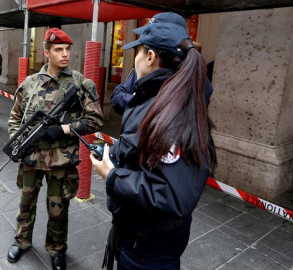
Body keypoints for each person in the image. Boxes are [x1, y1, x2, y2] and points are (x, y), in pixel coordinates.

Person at [90, 12, 215, 269]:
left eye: (137, 51)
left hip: (148, 243)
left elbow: (171, 193)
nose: (134, 59)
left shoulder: (170, 109)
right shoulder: (163, 95)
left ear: (150, 57)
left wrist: (112, 175)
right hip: (139, 231)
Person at [6, 28, 103, 270]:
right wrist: (17, 143)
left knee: (58, 209)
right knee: (25, 203)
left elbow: (96, 120)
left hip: (62, 160)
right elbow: (15, 119)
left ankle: (57, 249)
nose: (65, 54)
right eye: (58, 50)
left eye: (68, 49)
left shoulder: (80, 83)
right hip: (31, 157)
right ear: (46, 53)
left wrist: (65, 129)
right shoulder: (30, 83)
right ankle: (21, 241)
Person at [110, 17, 213, 115]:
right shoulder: (143, 70)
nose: (137, 58)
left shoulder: (192, 74)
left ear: (151, 57)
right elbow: (117, 96)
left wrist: (140, 103)